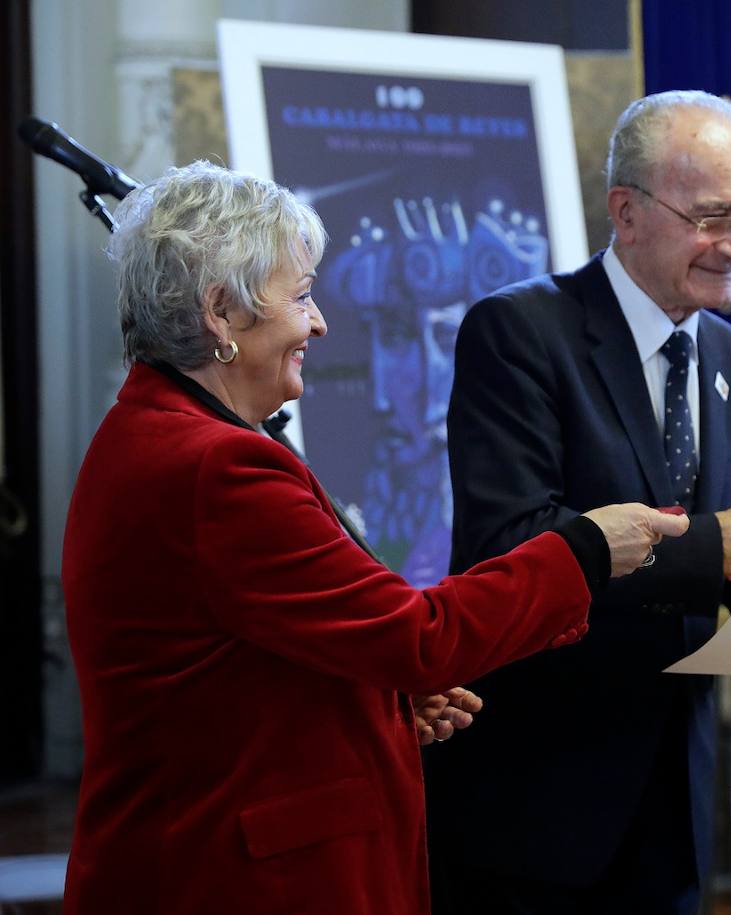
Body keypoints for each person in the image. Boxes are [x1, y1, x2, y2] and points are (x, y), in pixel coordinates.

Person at [59, 161, 687, 915]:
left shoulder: (152, 432)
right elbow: (418, 638)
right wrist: (585, 550)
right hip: (232, 879)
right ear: (221, 312)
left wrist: (369, 704)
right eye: (301, 296)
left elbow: (229, 662)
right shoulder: (218, 470)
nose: (320, 323)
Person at [425, 90, 731, 913]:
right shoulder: (519, 332)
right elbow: (514, 539)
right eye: (713, 218)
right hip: (537, 799)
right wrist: (718, 544)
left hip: (677, 804)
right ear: (627, 212)